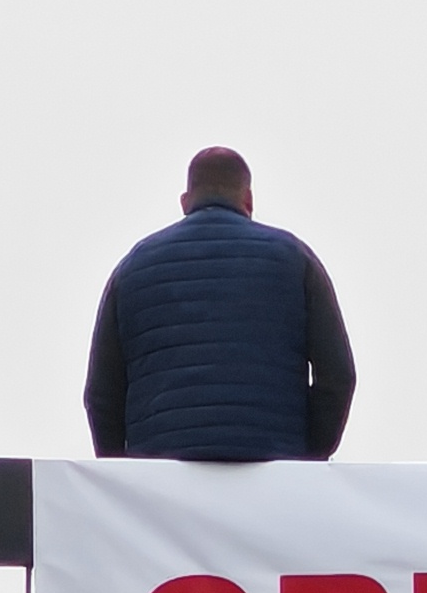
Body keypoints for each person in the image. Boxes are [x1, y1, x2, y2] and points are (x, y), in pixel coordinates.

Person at [81, 147, 356, 461]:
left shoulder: (133, 267)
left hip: (162, 479)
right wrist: (307, 458)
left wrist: (124, 472)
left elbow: (101, 395)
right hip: (271, 468)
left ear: (185, 202)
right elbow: (338, 376)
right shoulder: (295, 259)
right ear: (248, 200)